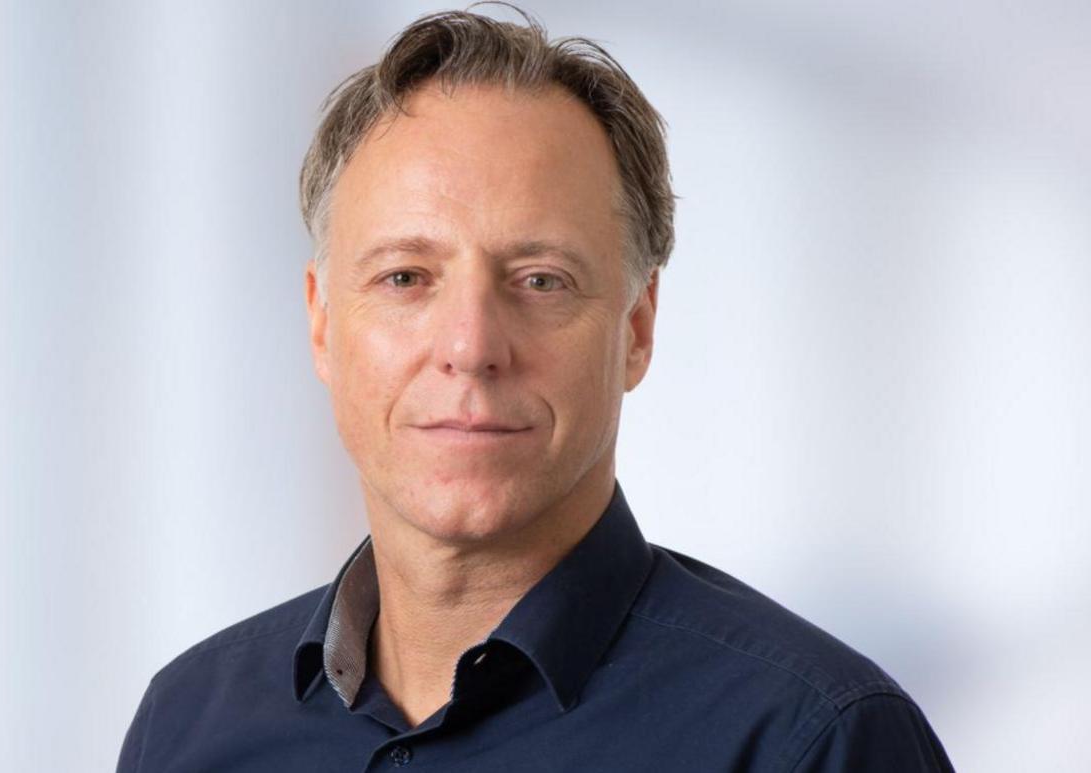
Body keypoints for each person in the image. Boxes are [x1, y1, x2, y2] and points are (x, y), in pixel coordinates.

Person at [116, 7, 954, 772]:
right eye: (406, 276)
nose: (471, 346)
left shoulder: (814, 740)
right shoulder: (187, 726)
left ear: (635, 327)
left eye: (542, 280)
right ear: (323, 325)